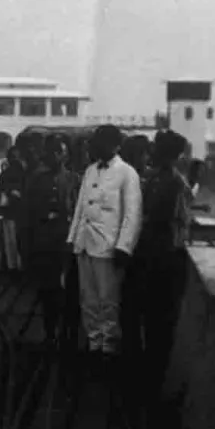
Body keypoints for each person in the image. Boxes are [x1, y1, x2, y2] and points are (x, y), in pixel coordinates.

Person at [66, 125, 142, 364]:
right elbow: (80, 208)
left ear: (115, 146)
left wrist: (124, 246)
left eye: (100, 142)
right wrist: (71, 240)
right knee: (88, 298)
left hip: (108, 247)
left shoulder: (127, 173)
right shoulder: (90, 170)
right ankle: (93, 342)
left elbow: (133, 213)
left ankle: (109, 347)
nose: (94, 146)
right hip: (84, 244)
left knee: (108, 300)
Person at [122, 131, 191, 393]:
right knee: (143, 316)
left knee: (159, 323)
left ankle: (154, 380)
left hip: (163, 261)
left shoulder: (174, 184)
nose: (152, 152)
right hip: (147, 257)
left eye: (158, 148)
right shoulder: (155, 179)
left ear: (169, 154)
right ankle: (144, 374)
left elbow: (167, 223)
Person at [19, 135, 81, 350]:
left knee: (69, 291)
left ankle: (68, 334)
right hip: (44, 243)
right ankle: (50, 332)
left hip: (68, 244)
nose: (55, 156)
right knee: (48, 291)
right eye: (52, 151)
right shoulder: (36, 180)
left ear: (65, 155)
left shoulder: (75, 180)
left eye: (59, 151)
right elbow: (26, 215)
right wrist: (26, 246)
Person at [0, 146, 28, 274]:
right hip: (9, 211)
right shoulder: (5, 174)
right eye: (12, 157)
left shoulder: (25, 173)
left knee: (19, 240)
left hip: (21, 211)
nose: (14, 159)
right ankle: (12, 267)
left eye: (16, 156)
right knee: (10, 241)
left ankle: (19, 266)